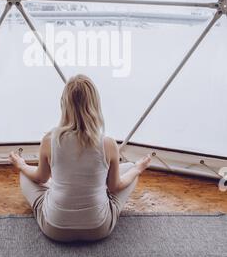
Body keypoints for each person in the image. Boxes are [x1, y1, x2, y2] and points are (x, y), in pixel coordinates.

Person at [10, 74, 151, 242]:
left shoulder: (50, 140)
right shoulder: (108, 144)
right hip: (98, 229)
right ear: (95, 105)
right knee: (130, 168)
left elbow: (40, 178)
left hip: (55, 228)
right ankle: (96, 193)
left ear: (64, 104)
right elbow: (115, 187)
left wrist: (21, 165)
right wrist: (138, 169)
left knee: (25, 175)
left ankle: (61, 194)